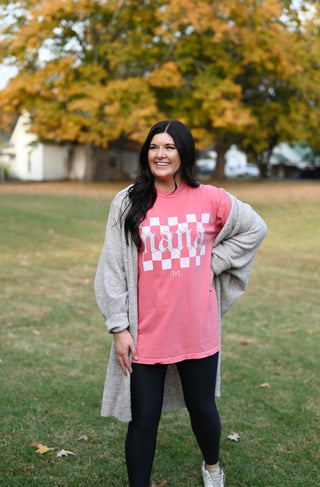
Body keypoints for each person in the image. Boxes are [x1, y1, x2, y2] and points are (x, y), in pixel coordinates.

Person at [95, 120, 267, 487]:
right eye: (155, 147)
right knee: (143, 419)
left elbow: (255, 228)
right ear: (147, 153)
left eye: (170, 147)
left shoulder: (210, 198)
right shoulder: (127, 202)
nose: (161, 154)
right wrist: (119, 326)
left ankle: (212, 469)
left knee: (203, 409)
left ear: (184, 153)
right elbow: (112, 267)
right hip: (145, 333)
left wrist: (215, 262)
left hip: (196, 327)